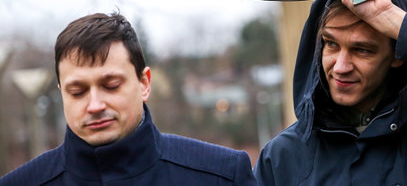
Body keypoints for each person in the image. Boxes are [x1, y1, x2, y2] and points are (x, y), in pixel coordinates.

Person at [0, 12, 257, 186]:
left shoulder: (221, 176)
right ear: (61, 92)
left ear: (144, 84)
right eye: (77, 91)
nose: (95, 105)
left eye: (111, 85)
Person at [254, 0, 407, 185]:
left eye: (362, 50)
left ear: (398, 53)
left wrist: (392, 18)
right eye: (331, 44)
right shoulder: (282, 157)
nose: (340, 67)